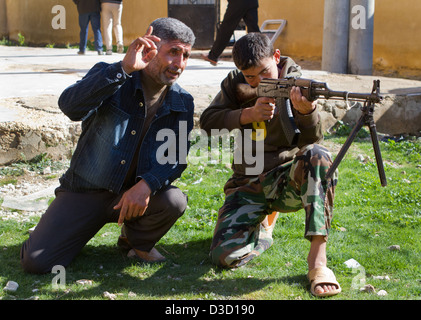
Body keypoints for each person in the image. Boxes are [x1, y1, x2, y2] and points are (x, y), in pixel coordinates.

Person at [20, 18, 196, 274]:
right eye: (173, 52)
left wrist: (146, 185)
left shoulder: (182, 101)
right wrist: (124, 68)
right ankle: (53, 229)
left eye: (186, 55)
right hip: (85, 192)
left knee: (174, 200)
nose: (179, 64)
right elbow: (70, 106)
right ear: (151, 46)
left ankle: (136, 241)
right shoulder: (113, 75)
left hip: (134, 198)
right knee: (37, 263)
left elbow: (175, 158)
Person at [200, 32, 341, 297]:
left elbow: (312, 141)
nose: (258, 81)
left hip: (286, 181)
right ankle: (264, 228)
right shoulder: (235, 84)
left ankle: (318, 262)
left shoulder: (299, 84)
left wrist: (306, 113)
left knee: (318, 154)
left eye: (265, 72)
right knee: (224, 257)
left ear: (276, 57)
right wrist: (247, 114)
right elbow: (207, 122)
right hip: (247, 183)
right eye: (250, 76)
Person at [202, 0, 260, 66]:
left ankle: (213, 55)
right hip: (252, 2)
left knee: (226, 28)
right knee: (254, 29)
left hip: (238, 3)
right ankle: (261, 55)